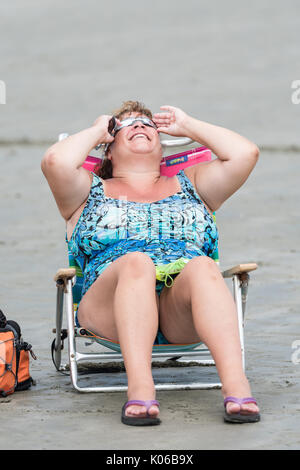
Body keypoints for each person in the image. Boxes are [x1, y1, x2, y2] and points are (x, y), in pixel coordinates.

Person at [41, 101, 260, 426]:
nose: (140, 127)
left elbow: (246, 154)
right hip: (110, 306)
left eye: (148, 124)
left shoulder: (194, 184)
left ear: (162, 144)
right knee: (137, 263)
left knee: (201, 266)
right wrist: (98, 129)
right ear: (109, 150)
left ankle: (237, 386)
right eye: (127, 124)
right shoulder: (86, 190)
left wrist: (188, 125)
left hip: (179, 314)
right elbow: (55, 160)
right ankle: (141, 388)